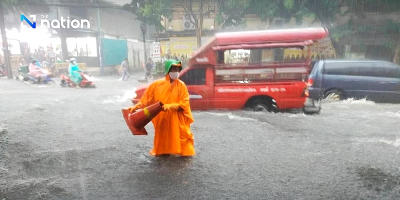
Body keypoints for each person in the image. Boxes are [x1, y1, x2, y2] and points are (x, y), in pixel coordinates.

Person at [129, 59, 195, 157]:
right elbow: (147, 98)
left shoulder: (181, 85)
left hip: (177, 118)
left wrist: (170, 106)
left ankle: (185, 156)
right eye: (173, 69)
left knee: (183, 137)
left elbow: (184, 103)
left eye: (177, 69)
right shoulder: (157, 85)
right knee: (163, 140)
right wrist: (136, 107)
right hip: (162, 118)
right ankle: (163, 155)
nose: (176, 72)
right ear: (168, 70)